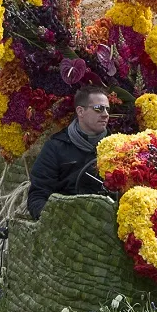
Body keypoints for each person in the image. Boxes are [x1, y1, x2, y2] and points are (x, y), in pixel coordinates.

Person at [26, 85, 112, 219]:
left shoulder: (117, 146)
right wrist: (57, 220)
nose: (105, 114)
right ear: (80, 111)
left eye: (107, 109)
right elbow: (38, 195)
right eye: (98, 108)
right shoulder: (55, 147)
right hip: (67, 221)